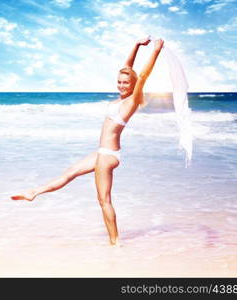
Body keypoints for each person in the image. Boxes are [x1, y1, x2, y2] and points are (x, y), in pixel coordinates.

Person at [11, 37, 165, 246]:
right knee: (69, 173)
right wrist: (136, 46)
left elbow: (144, 75)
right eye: (119, 82)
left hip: (108, 155)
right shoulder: (121, 97)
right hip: (101, 152)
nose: (121, 85)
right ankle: (33, 193)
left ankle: (115, 242)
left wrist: (155, 51)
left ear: (134, 85)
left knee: (104, 200)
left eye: (126, 83)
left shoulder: (132, 100)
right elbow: (127, 67)